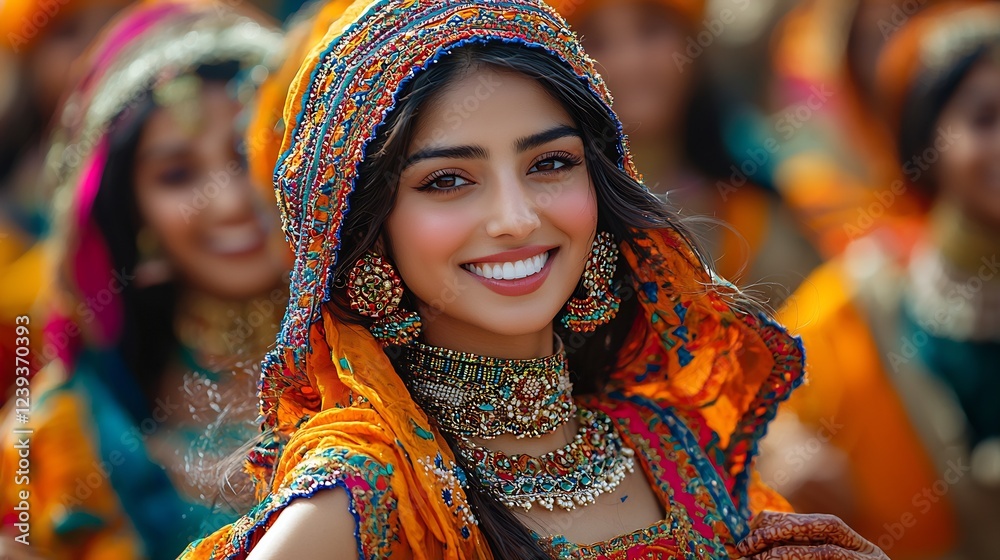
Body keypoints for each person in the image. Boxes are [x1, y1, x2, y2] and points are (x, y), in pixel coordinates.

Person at [182, 1, 889, 558]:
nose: (517, 219)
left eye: (549, 164)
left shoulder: (670, 448)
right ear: (369, 230)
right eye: (449, 180)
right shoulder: (365, 499)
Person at [0, 1, 288, 558]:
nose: (230, 199)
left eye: (247, 148)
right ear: (132, 219)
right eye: (178, 174)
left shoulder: (418, 368)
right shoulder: (57, 443)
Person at [764, 3, 1000, 558]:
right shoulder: (858, 306)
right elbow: (749, 427)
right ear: (927, 144)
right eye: (985, 119)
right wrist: (786, 456)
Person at [551, 0, 820, 309]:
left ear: (695, 45)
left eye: (651, 30)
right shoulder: (544, 216)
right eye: (595, 42)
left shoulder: (758, 214)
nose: (631, 62)